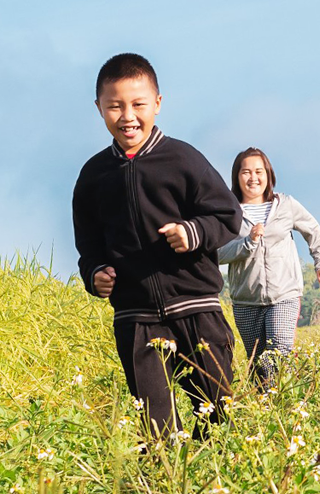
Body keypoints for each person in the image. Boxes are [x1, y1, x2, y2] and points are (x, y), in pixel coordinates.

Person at [73, 52, 242, 439]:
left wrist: (192, 233)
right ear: (99, 108)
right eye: (115, 106)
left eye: (138, 104)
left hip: (197, 309)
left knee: (218, 416)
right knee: (157, 429)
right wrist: (95, 273)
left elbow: (227, 215)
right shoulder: (94, 176)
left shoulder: (183, 159)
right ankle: (164, 477)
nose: (127, 116)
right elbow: (88, 244)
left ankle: (213, 476)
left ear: (158, 103)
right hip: (135, 319)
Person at [217, 147, 320, 388]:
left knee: (279, 349)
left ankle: (285, 396)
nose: (253, 178)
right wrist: (248, 243)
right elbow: (217, 253)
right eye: (246, 172)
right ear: (237, 177)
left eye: (259, 171)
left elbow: (313, 230)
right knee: (257, 362)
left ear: (268, 175)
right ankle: (265, 403)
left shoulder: (285, 205)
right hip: (246, 299)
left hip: (284, 294)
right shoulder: (228, 212)